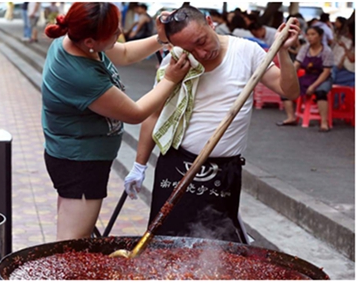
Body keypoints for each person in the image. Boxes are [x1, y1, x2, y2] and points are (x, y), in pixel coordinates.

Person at [124, 5, 300, 244]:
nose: (201, 53)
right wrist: (139, 166)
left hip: (223, 171)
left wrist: (282, 52)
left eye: (202, 41)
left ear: (210, 22)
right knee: (166, 246)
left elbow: (288, 91)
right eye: (190, 49)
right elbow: (155, 115)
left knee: (220, 251)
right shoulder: (176, 61)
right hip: (177, 165)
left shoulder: (246, 51)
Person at [41, 2, 191, 241]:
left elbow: (123, 53)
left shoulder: (78, 41)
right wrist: (170, 79)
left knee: (75, 237)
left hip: (76, 157)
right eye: (113, 34)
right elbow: (135, 113)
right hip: (79, 162)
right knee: (72, 242)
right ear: (91, 41)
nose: (118, 35)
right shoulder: (81, 75)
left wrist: (160, 39)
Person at [277, 26, 334, 132]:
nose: (310, 37)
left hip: (322, 78)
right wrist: (287, 78)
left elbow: (326, 72)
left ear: (320, 36)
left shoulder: (327, 51)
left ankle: (324, 123)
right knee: (285, 89)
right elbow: (296, 65)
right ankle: (291, 117)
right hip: (308, 76)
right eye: (308, 35)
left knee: (321, 92)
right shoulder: (305, 49)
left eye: (313, 34)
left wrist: (313, 86)